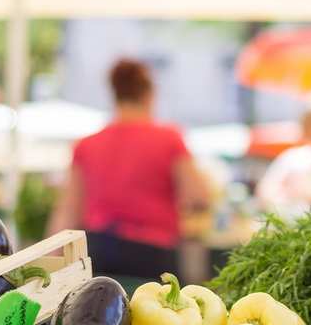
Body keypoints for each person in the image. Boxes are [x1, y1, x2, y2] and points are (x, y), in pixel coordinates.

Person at [50, 58, 207, 279]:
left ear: (115, 95)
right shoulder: (169, 139)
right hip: (153, 253)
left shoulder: (87, 144)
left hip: (99, 250)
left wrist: (54, 263)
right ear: (149, 95)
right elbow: (199, 196)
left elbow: (68, 211)